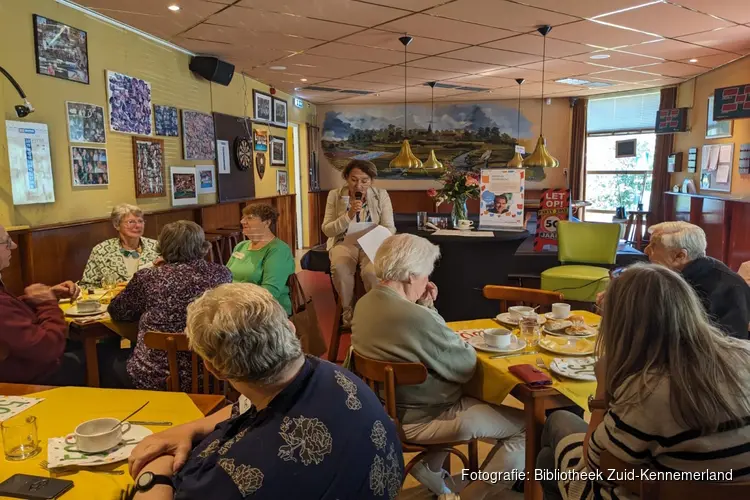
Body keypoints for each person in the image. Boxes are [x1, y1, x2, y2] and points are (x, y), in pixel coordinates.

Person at [127, 283, 403, 500]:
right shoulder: (336, 375)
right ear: (290, 329)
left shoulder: (235, 478)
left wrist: (155, 472)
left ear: (214, 369)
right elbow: (248, 403)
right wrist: (191, 428)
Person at [537, 263, 750, 500]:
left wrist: (602, 390)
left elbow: (597, 465)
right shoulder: (745, 352)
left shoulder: (648, 391)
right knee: (548, 459)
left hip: (648, 492)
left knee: (557, 423)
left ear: (622, 327)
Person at [352, 234, 525, 499]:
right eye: (425, 275)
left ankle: (430, 467)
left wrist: (426, 306)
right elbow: (465, 365)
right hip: (423, 418)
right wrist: (429, 312)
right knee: (530, 428)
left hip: (383, 411)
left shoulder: (364, 304)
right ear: (411, 275)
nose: (427, 281)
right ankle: (472, 495)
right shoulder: (413, 317)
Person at [107, 221, 231, 391]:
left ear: (163, 246)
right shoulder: (222, 274)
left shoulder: (148, 277)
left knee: (109, 363)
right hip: (213, 374)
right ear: (202, 246)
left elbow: (118, 312)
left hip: (155, 376)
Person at [0, 224, 86, 385]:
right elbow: (49, 348)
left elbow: (10, 314)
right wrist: (48, 304)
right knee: (95, 358)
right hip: (30, 382)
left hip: (28, 365)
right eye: (6, 242)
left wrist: (41, 296)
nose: (14, 245)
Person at [645, 221, 750, 339]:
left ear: (680, 256)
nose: (646, 250)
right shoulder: (674, 275)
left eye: (653, 246)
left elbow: (730, 345)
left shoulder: (728, 289)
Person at [322, 160, 395, 327]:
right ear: (346, 178)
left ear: (371, 180)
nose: (359, 185)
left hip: (373, 243)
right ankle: (347, 311)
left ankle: (376, 311)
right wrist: (348, 215)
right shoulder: (335, 195)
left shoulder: (381, 195)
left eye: (365, 180)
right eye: (354, 180)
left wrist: (377, 234)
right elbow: (327, 230)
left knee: (372, 272)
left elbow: (390, 227)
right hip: (344, 242)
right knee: (340, 267)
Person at [226, 204, 295, 316]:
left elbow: (270, 292)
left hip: (265, 312)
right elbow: (226, 277)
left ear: (267, 223)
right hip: (235, 307)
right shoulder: (241, 246)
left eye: (250, 218)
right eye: (243, 217)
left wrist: (237, 305)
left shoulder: (278, 250)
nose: (242, 221)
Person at [79, 203, 159, 288]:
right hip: (113, 299)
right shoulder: (101, 250)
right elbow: (87, 286)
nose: (138, 226)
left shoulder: (156, 247)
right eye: (131, 222)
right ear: (116, 225)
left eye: (140, 221)